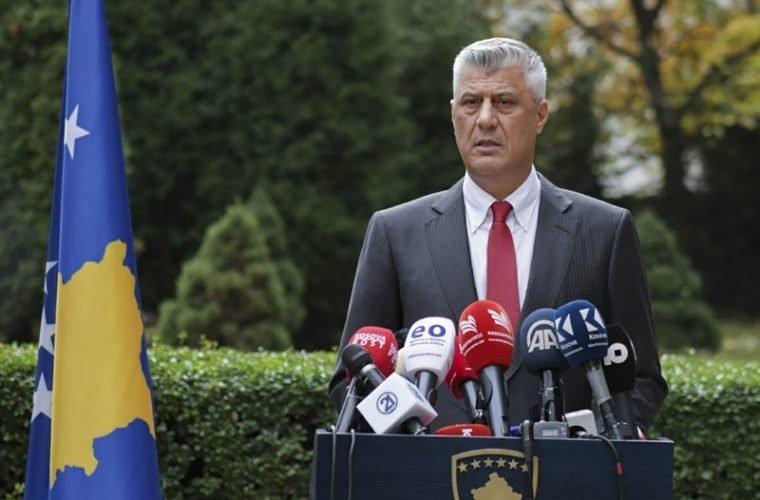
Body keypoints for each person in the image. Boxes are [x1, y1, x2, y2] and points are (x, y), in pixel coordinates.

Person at [328, 37, 667, 431]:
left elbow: (640, 378)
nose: (485, 119)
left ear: (540, 115)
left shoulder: (604, 230)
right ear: (453, 114)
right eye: (471, 103)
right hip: (432, 466)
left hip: (564, 467)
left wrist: (593, 447)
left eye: (504, 102)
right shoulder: (395, 232)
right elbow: (352, 380)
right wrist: (410, 441)